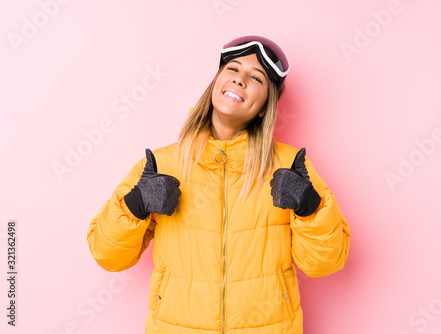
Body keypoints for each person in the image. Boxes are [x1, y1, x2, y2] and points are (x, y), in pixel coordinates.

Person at [87, 34, 351, 334]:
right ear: (216, 82)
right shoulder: (161, 165)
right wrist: (136, 204)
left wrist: (310, 205)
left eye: (256, 78)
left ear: (266, 106)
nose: (240, 80)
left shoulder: (290, 167)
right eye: (233, 69)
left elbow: (325, 264)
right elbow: (107, 255)